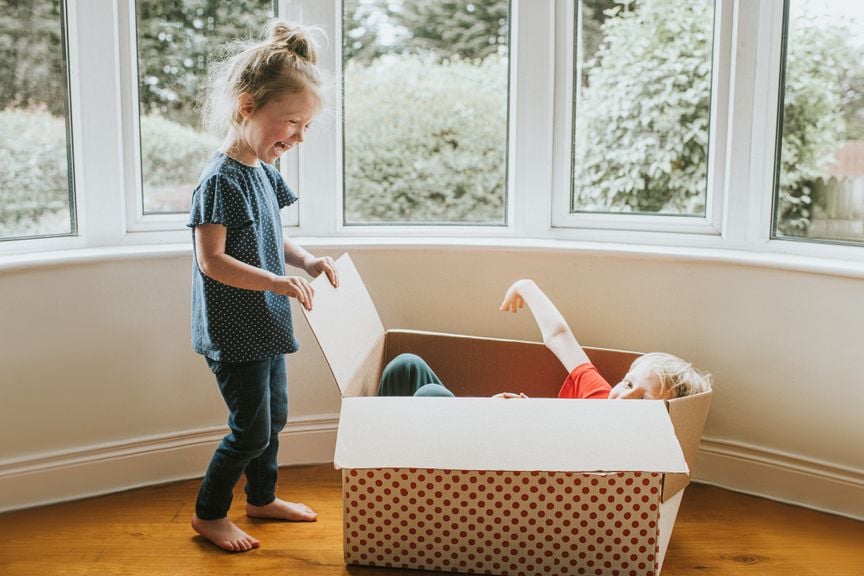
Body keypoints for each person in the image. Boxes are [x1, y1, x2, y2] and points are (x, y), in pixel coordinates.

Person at [187, 19, 338, 553]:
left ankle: (262, 498)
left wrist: (308, 260)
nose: (297, 139)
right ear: (247, 106)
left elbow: (278, 237)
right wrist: (278, 280)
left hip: (267, 323)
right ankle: (209, 514)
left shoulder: (263, 171)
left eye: (305, 128)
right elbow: (213, 262)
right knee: (249, 429)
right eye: (291, 123)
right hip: (234, 330)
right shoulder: (220, 179)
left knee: (274, 421)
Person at [379, 279, 711, 400]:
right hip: (502, 436)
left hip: (494, 473)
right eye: (626, 384)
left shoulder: (623, 454)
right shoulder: (598, 394)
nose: (623, 397)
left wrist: (527, 420)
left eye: (643, 401)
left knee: (430, 394)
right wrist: (526, 286)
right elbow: (559, 336)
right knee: (406, 365)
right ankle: (375, 472)